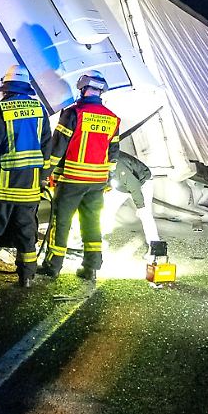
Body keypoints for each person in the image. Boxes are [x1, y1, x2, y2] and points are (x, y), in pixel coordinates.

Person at [41, 69, 121, 280]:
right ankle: (91, 267)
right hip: (97, 182)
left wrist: (44, 173)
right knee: (92, 222)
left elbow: (57, 148)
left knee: (61, 221)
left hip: (72, 180)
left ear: (83, 88)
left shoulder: (73, 113)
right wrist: (108, 179)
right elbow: (113, 153)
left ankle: (53, 265)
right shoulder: (112, 119)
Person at [0, 66, 51, 287]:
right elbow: (47, 146)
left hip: (2, 185)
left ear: (7, 87)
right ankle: (27, 276)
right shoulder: (40, 109)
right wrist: (42, 175)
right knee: (26, 232)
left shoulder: (1, 109)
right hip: (29, 187)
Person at [109, 150, 167, 254]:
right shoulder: (102, 160)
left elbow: (134, 187)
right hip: (122, 184)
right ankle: (95, 241)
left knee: (145, 214)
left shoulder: (118, 165)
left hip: (142, 183)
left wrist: (140, 206)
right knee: (107, 209)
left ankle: (155, 247)